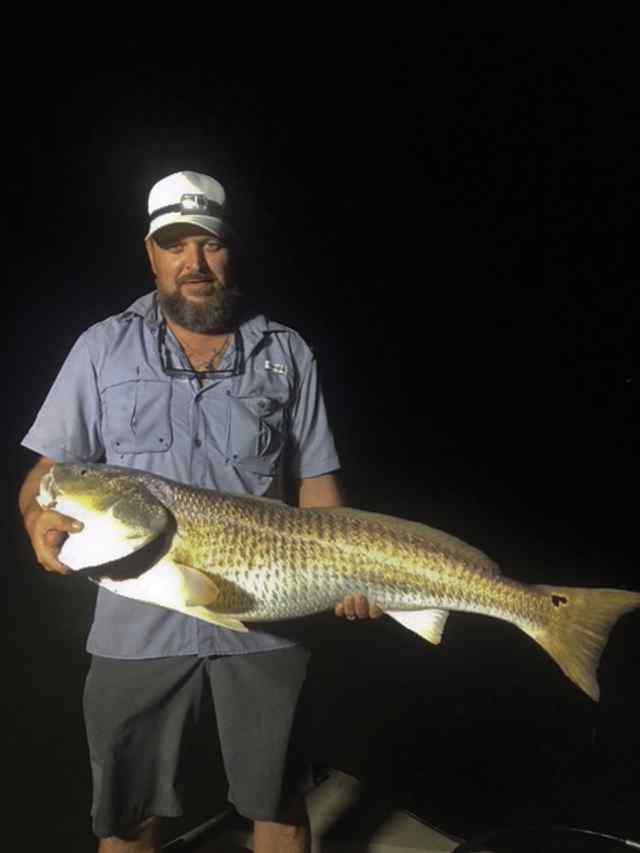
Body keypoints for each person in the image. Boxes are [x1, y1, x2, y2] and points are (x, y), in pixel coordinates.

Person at [18, 170, 382, 853]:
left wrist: (351, 568)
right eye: (174, 244)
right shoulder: (101, 348)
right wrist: (37, 518)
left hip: (264, 616)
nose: (194, 262)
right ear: (150, 253)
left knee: (279, 805)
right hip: (135, 621)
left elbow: (319, 486)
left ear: (230, 249)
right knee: (128, 817)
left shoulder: (287, 353)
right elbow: (48, 471)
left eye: (208, 243)